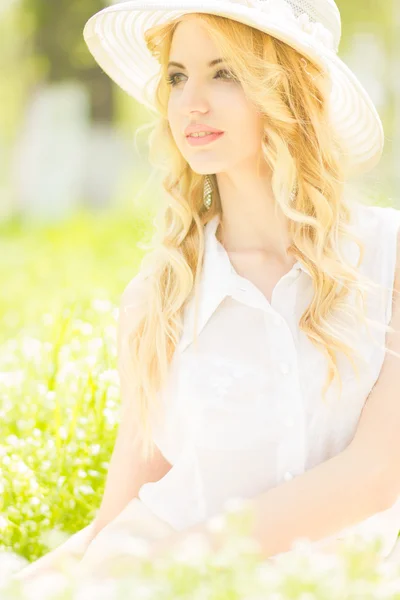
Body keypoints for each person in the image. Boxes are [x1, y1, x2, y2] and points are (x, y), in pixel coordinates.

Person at [12, 0, 400, 584]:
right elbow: (124, 508)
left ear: (288, 89)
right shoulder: (159, 297)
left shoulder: (385, 256)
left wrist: (158, 572)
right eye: (176, 76)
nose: (190, 102)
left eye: (225, 73)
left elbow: (375, 476)